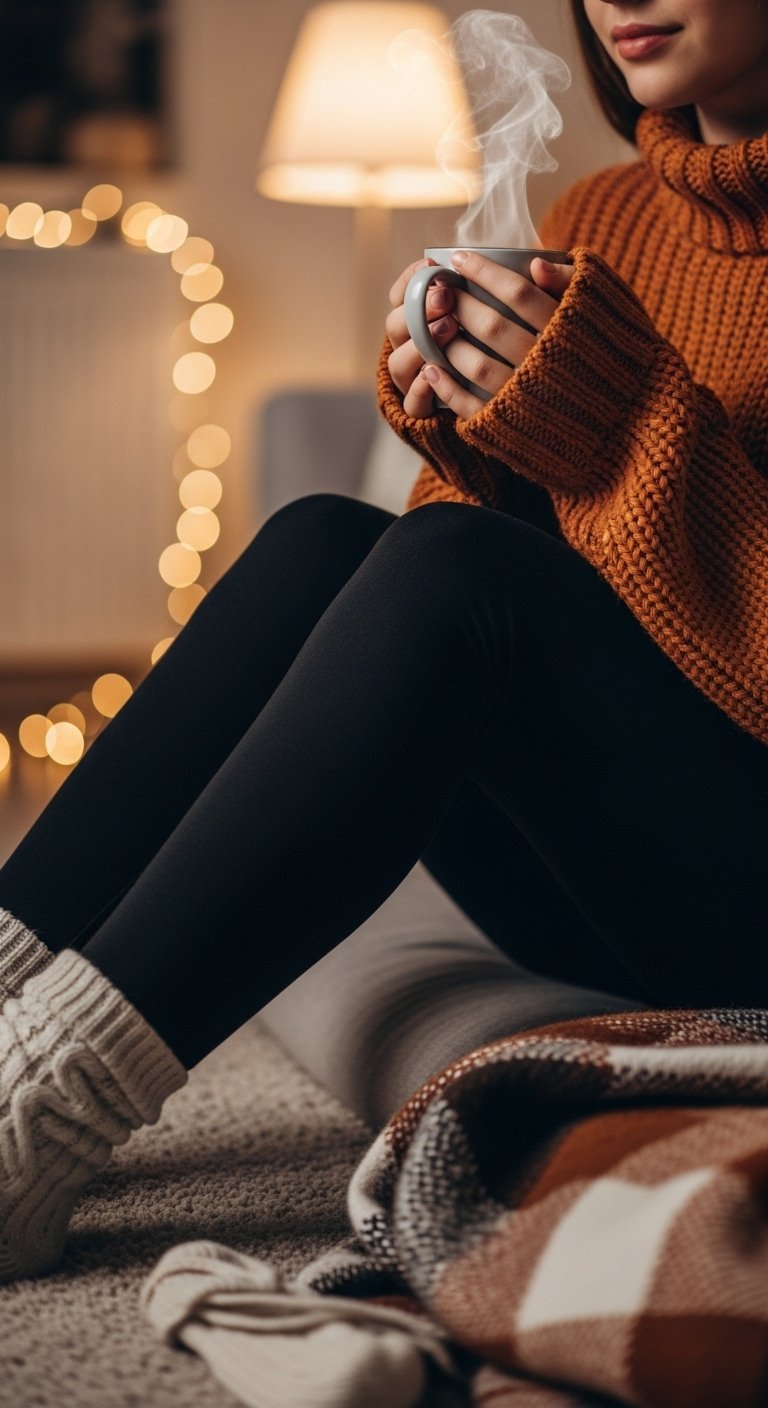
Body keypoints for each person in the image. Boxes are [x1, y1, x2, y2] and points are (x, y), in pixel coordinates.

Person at [0, 0, 766, 1286]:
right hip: (617, 868)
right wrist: (476, 439)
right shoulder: (603, 218)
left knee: (459, 573)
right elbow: (527, 598)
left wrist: (622, 418)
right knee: (325, 539)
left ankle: (48, 1115)